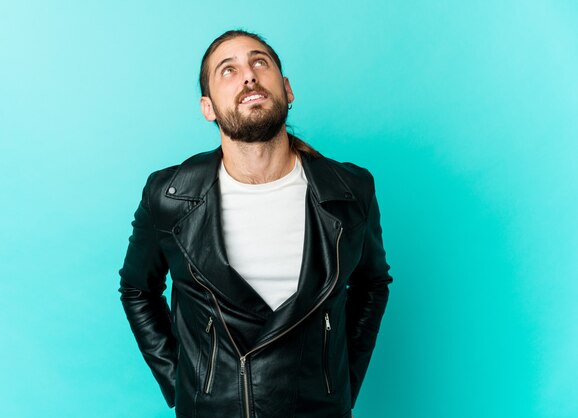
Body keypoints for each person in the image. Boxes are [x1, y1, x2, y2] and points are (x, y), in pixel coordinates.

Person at [119, 29, 393, 418]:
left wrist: (340, 384)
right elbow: (136, 289)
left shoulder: (350, 191)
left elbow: (372, 285)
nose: (248, 75)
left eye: (259, 62)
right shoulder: (169, 196)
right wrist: (182, 383)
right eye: (227, 71)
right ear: (208, 107)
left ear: (286, 89)